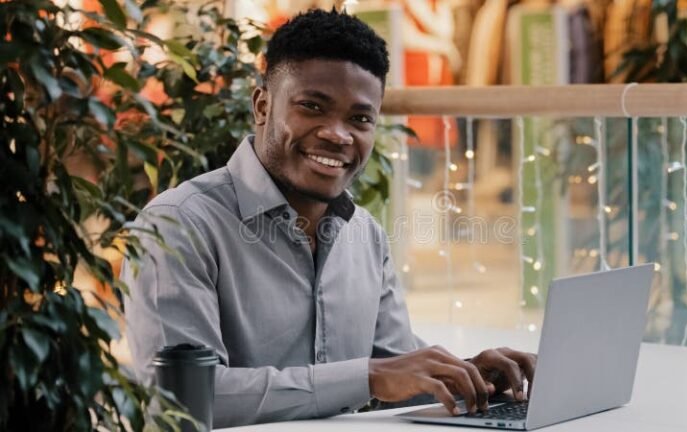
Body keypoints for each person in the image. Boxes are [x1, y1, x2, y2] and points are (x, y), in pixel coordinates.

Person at [123, 9, 536, 429]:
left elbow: (395, 373)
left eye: (360, 119)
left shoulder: (366, 235)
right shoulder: (176, 226)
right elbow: (182, 401)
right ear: (262, 105)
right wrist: (368, 377)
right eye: (312, 107)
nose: (337, 134)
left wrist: (471, 377)